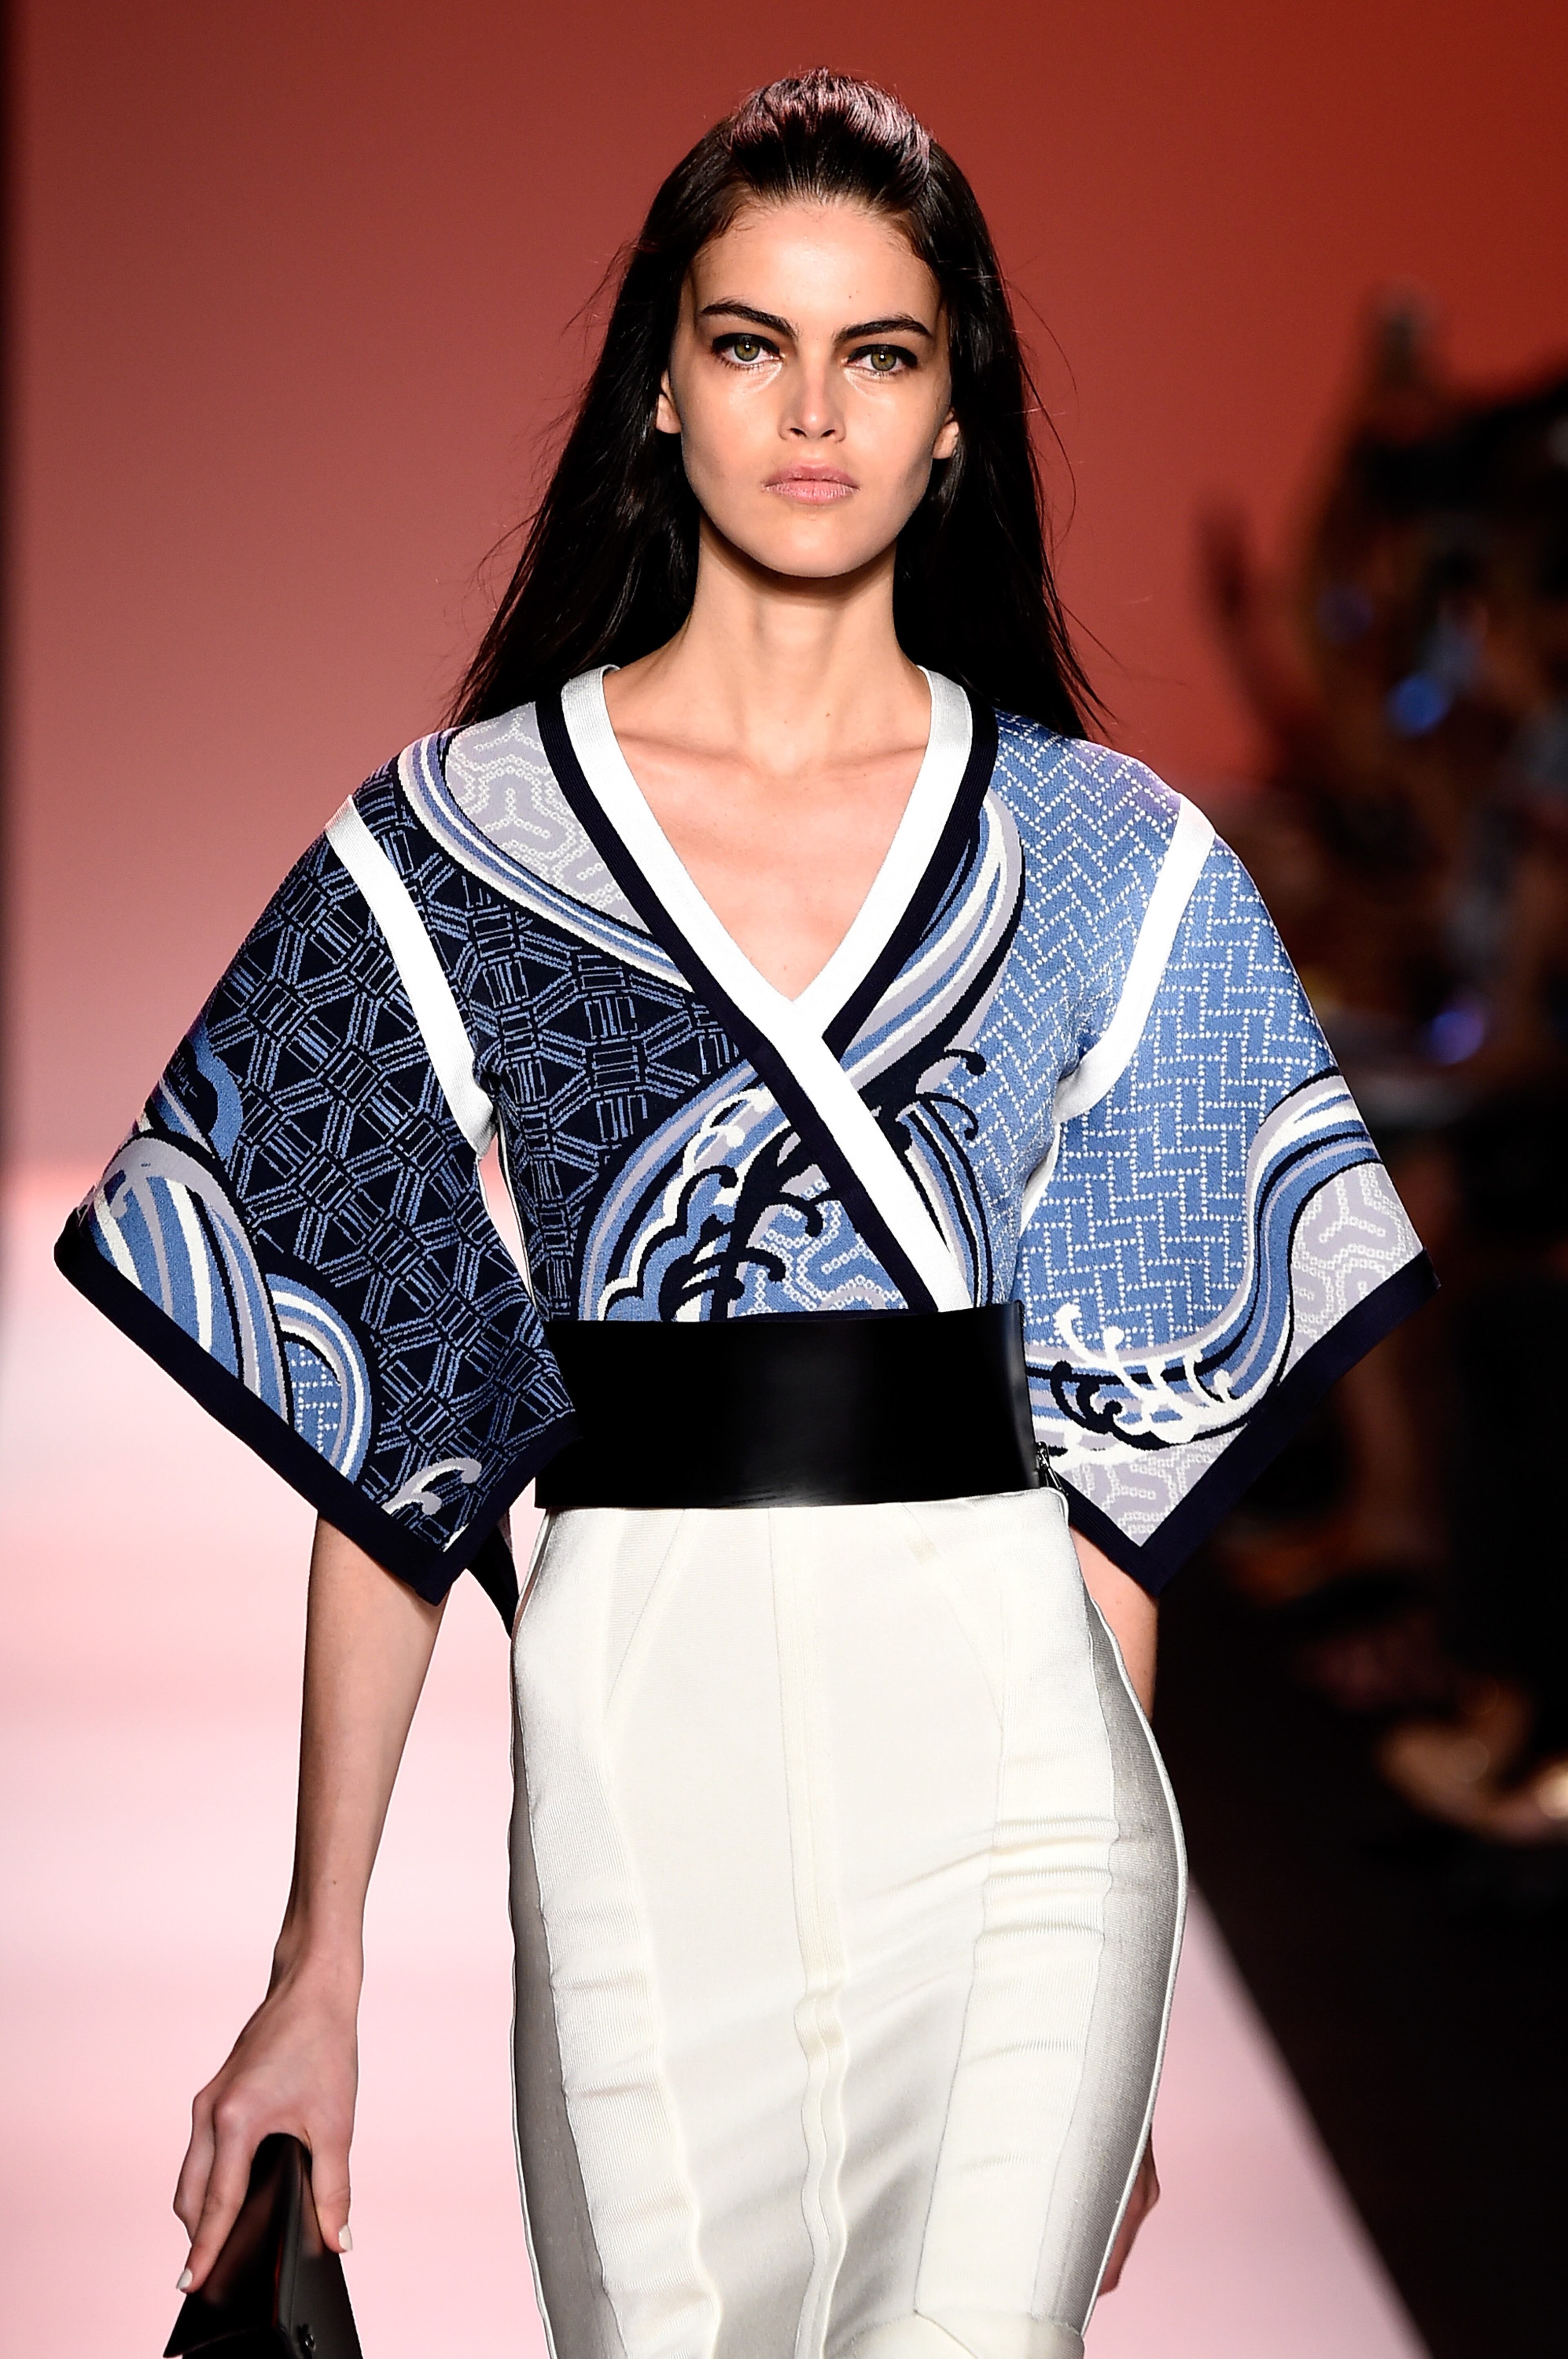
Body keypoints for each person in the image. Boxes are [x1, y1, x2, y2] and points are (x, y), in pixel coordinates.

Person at [56, 72, 1435, 2359]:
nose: (814, 413)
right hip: (636, 1736)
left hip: (1018, 1783)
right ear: (662, 393)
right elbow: (394, 1435)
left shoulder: (1113, 860)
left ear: (955, 420)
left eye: (879, 353)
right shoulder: (462, 841)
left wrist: (1140, 2014)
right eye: (750, 344)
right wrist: (317, 1967)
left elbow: (1121, 1474)